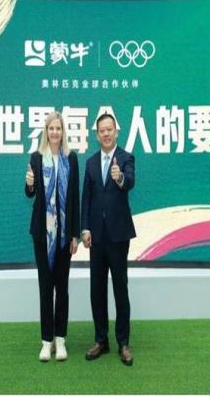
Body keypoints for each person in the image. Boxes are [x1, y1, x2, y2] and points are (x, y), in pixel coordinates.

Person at [81, 113, 136, 366]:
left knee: (120, 288)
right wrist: (85, 229)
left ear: (116, 132)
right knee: (97, 289)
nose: (106, 134)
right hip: (97, 237)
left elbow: (130, 182)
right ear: (97, 135)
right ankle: (101, 340)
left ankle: (123, 343)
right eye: (102, 130)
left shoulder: (126, 158)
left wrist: (119, 177)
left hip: (118, 235)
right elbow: (86, 198)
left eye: (109, 130)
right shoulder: (91, 163)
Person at [24, 111, 80, 362]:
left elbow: (75, 198)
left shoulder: (71, 158)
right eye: (51, 128)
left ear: (63, 131)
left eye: (58, 128)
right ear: (46, 132)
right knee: (45, 288)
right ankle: (46, 342)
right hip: (42, 235)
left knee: (62, 289)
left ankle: (61, 339)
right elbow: (31, 193)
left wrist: (75, 235)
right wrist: (29, 184)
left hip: (65, 236)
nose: (55, 132)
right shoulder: (36, 158)